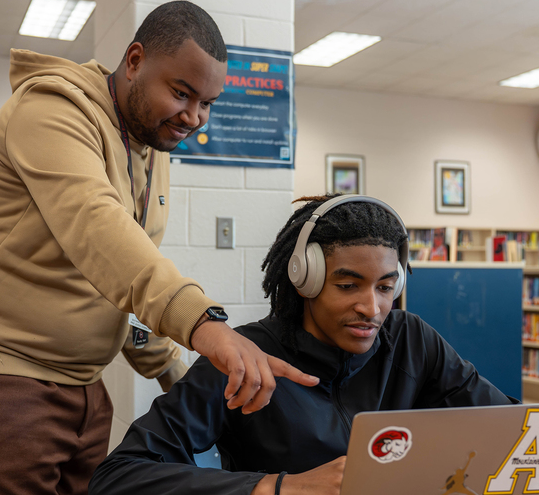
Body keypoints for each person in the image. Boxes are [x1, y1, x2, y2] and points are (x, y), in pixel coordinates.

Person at [0, 1, 317, 495]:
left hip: (79, 383)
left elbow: (112, 276)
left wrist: (175, 372)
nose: (194, 117)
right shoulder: (50, 109)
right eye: (181, 93)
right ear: (135, 61)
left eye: (207, 103)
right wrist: (205, 325)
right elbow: (98, 229)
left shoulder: (149, 144)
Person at [89, 194, 517, 495]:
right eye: (348, 285)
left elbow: (512, 427)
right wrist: (278, 487)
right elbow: (119, 476)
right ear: (304, 280)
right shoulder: (247, 355)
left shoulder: (408, 338)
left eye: (386, 287)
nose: (372, 308)